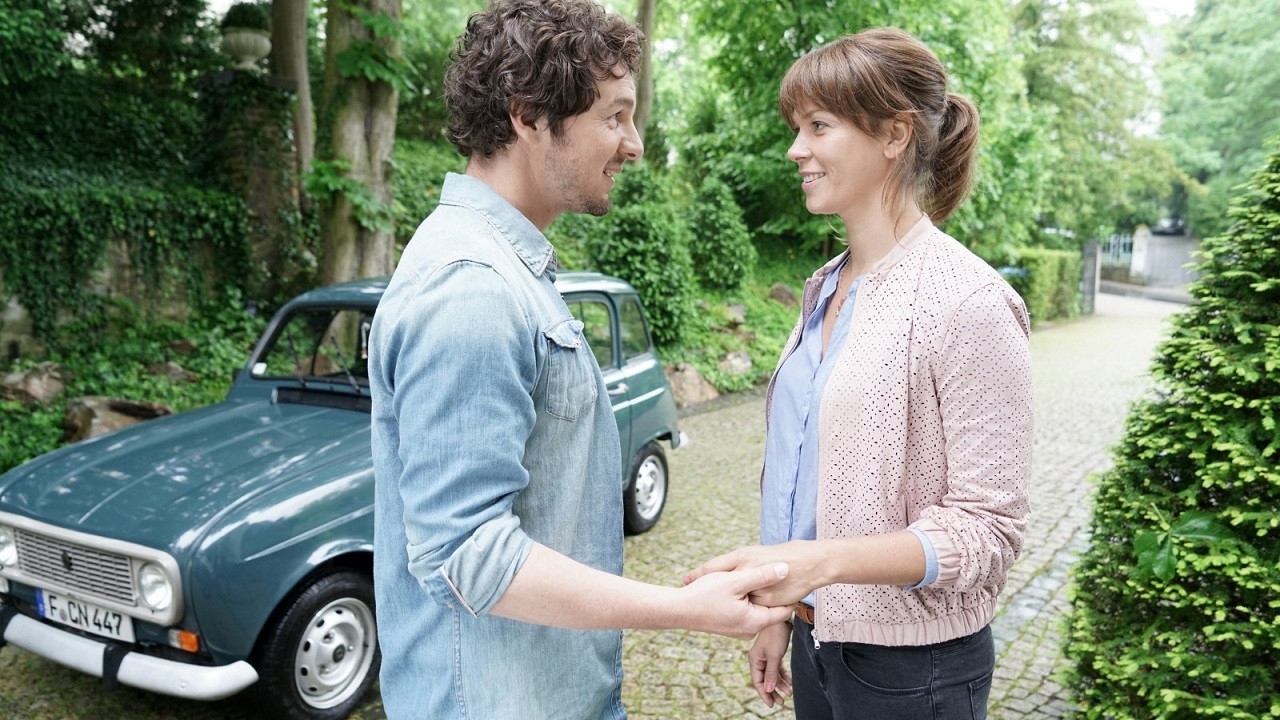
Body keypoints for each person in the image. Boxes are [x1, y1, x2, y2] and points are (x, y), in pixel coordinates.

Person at [368, 2, 793, 718]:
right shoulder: (472, 291)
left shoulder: (507, 272)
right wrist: (687, 608)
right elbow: (469, 555)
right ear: (530, 116)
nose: (634, 144)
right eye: (614, 116)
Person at [685, 27, 1033, 719]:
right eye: (796, 127)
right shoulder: (823, 290)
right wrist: (784, 608)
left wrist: (820, 565)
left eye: (818, 126)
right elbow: (800, 469)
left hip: (917, 669)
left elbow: (988, 533)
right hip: (820, 643)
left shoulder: (969, 301)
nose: (796, 149)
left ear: (895, 134)